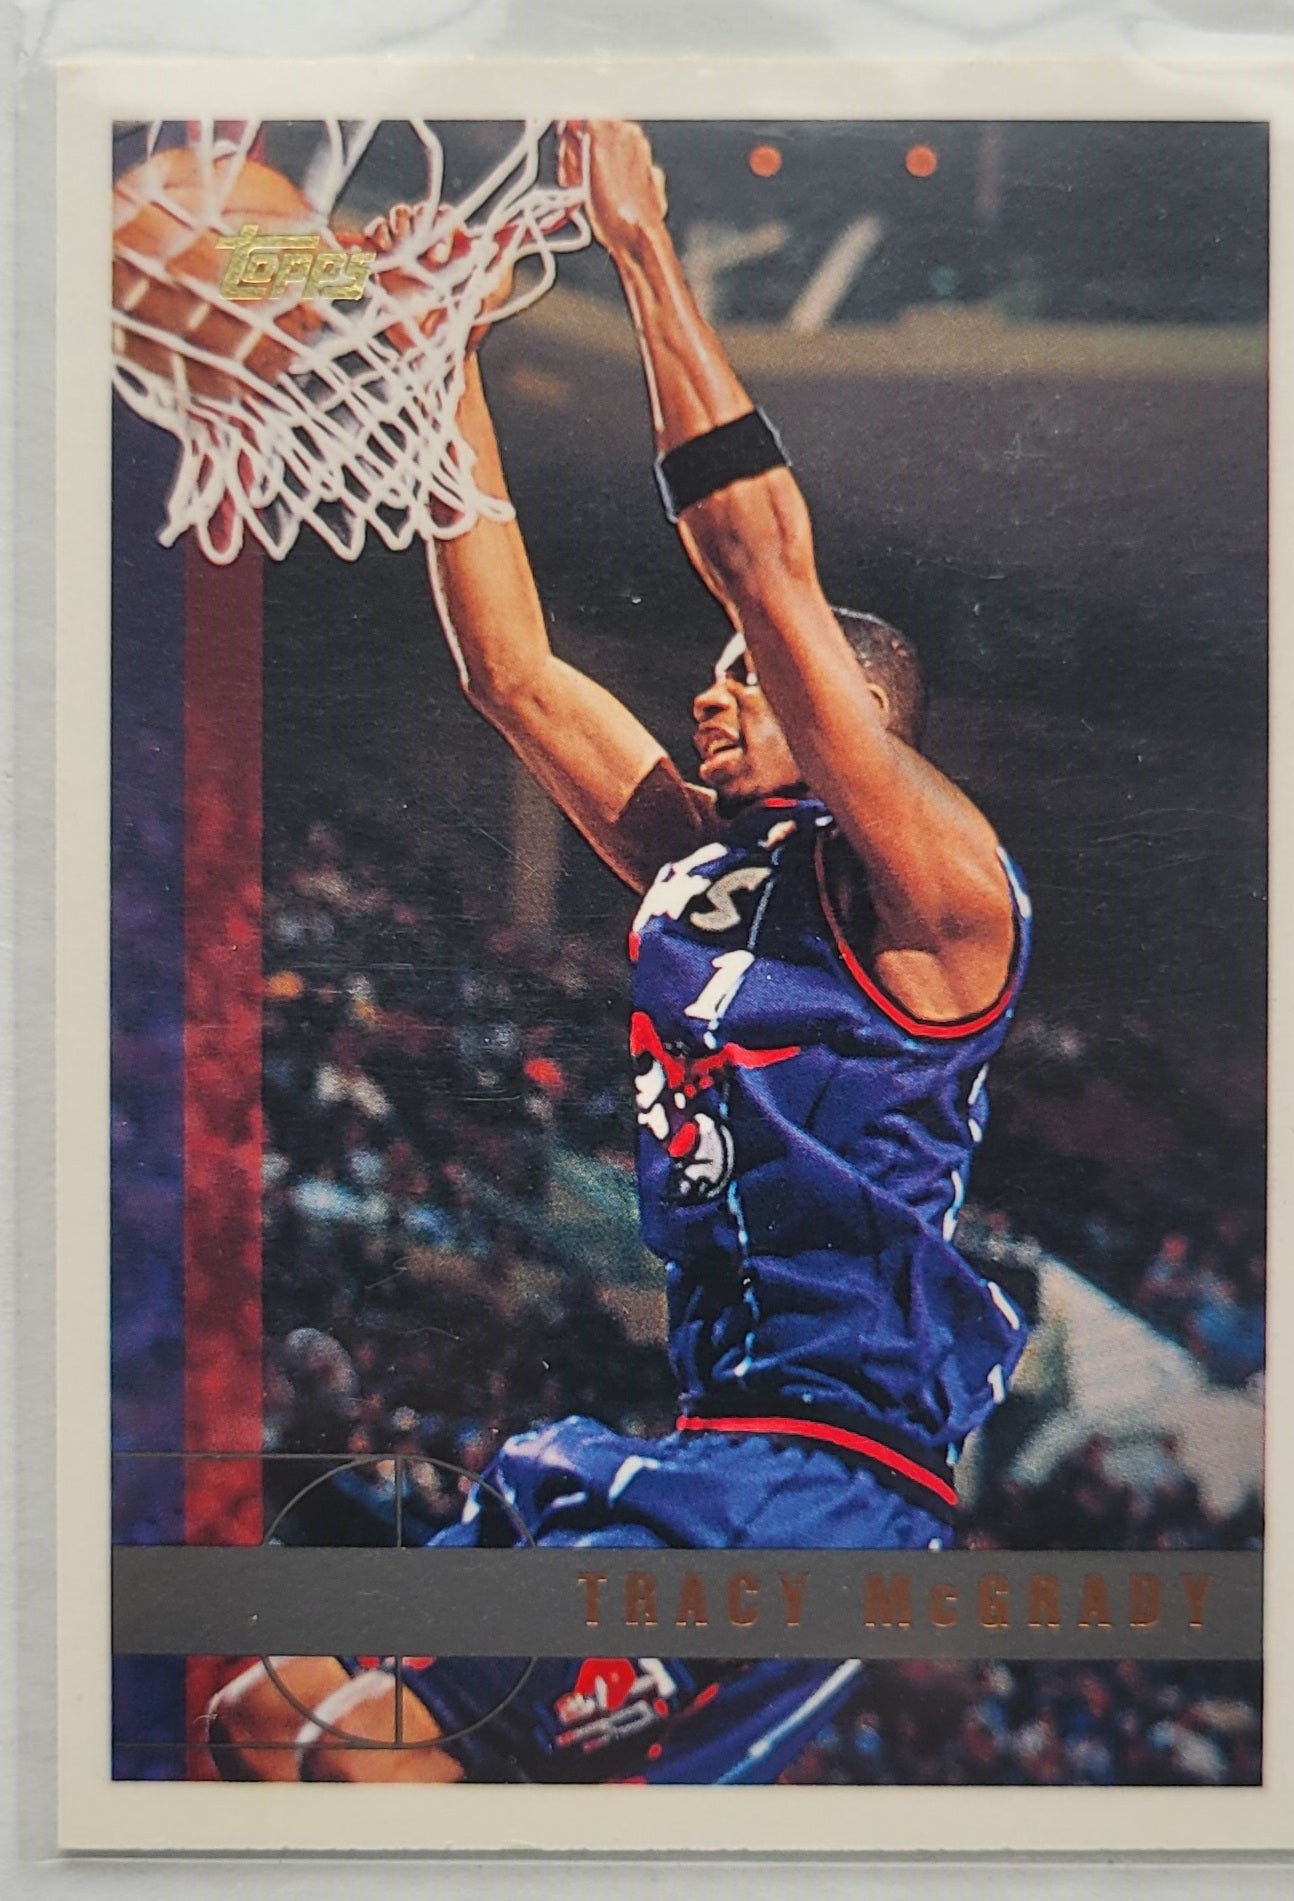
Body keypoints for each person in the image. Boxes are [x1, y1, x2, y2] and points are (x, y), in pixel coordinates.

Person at [209, 119, 1032, 1786]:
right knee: (263, 1718)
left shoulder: (945, 899)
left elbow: (761, 561)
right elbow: (510, 672)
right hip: (694, 1436)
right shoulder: (704, 863)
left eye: (750, 678)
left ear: (849, 715)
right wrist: (441, 357)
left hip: (821, 1483)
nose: (710, 693)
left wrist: (642, 247)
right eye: (713, 675)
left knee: (379, 1768)